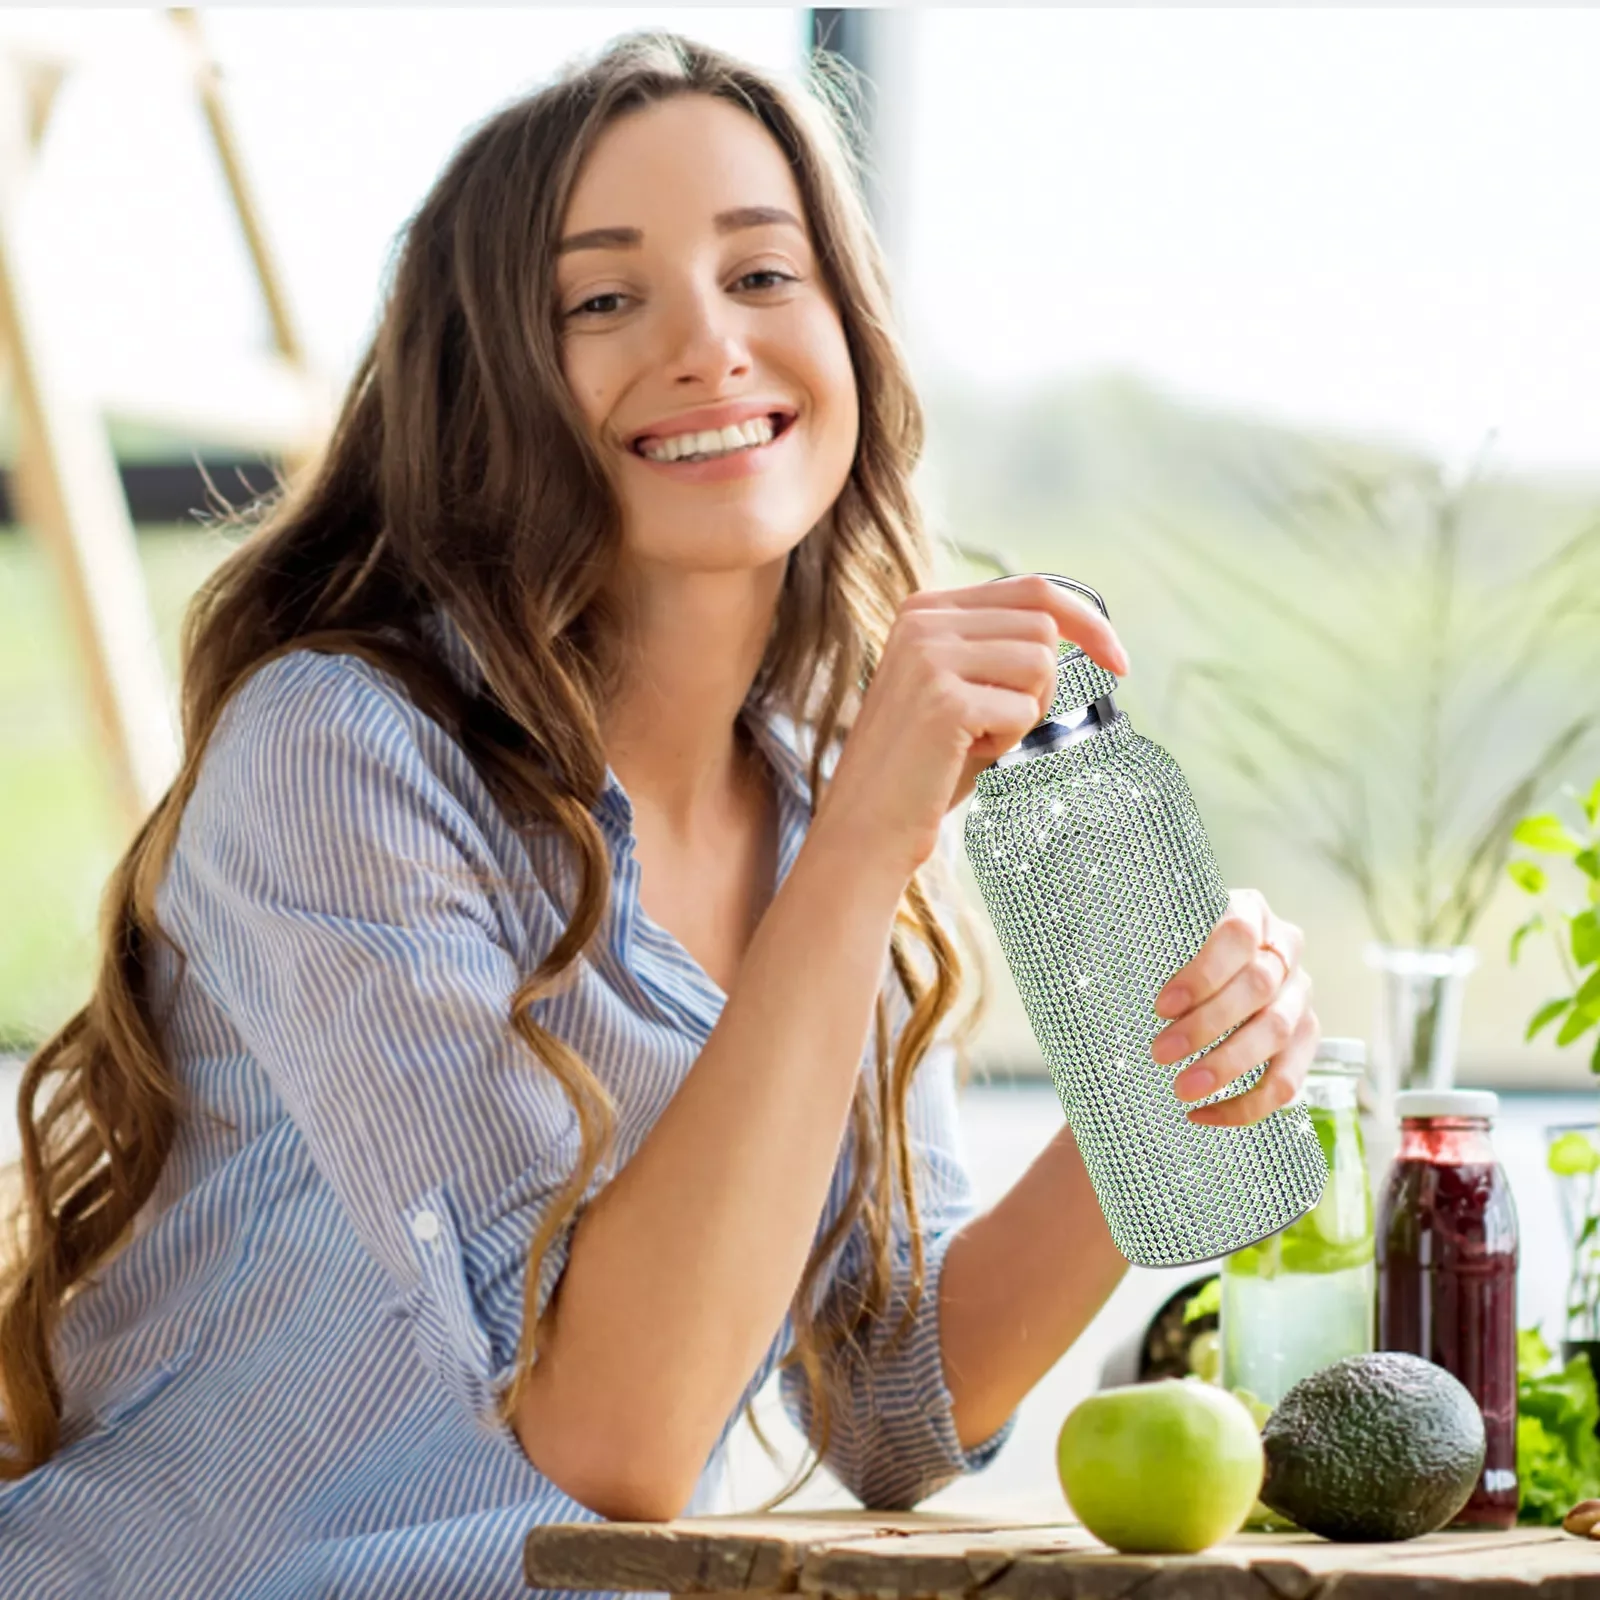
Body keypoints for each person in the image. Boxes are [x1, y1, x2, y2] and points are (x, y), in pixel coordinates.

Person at [0, 30, 1318, 1600]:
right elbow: (601, 1438)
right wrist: (858, 858)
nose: (710, 346)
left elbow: (891, 1400)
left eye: (766, 277)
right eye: (603, 300)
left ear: (851, 332)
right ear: (490, 386)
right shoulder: (347, 754)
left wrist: (1160, 1089)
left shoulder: (830, 779)